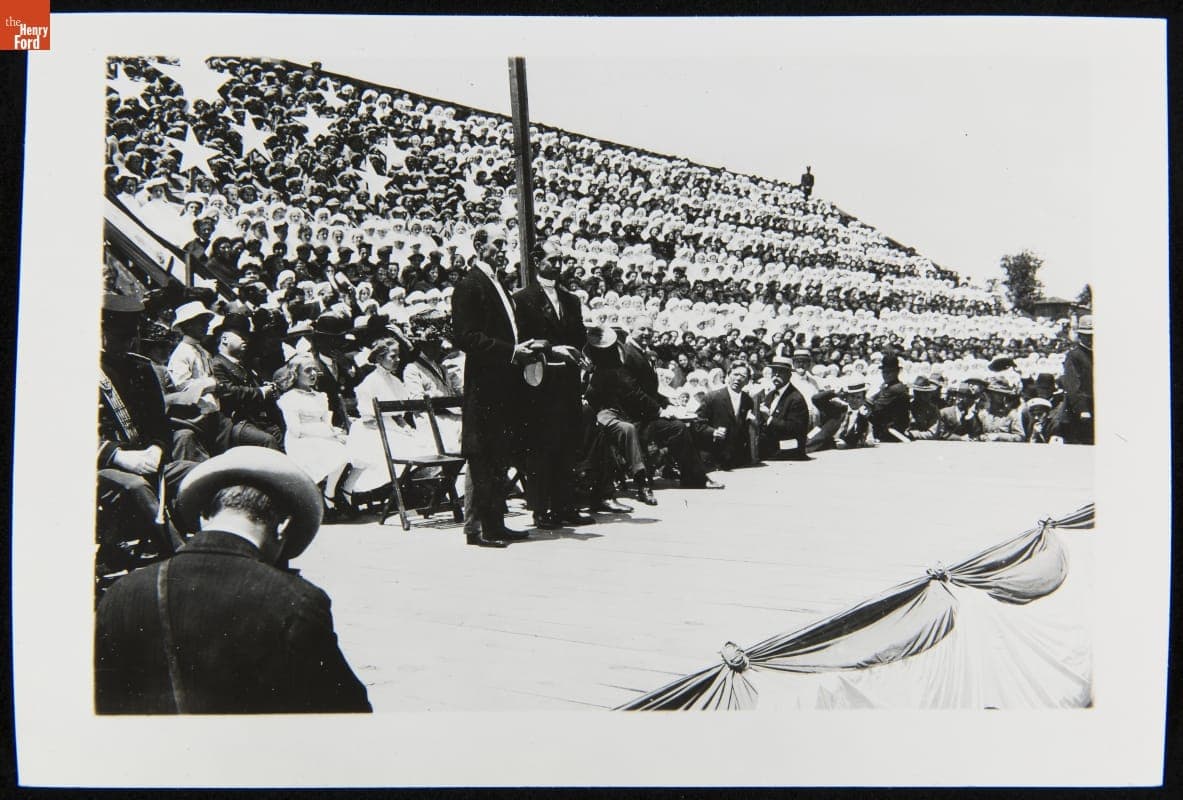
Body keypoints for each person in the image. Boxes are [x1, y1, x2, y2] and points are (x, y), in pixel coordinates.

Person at [95, 447, 372, 714]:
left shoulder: (122, 594)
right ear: (283, 526)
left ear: (204, 517)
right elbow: (347, 713)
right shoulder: (297, 600)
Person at [451, 225, 534, 547]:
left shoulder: (500, 285)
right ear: (478, 245)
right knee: (483, 458)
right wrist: (511, 351)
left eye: (506, 244)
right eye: (497, 244)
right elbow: (466, 337)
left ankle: (496, 524)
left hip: (504, 385)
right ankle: (480, 529)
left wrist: (522, 347)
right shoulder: (470, 285)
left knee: (498, 456)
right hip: (484, 387)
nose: (503, 249)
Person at [97, 293, 196, 560]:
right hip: (103, 466)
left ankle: (211, 544)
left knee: (199, 473)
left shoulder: (140, 367)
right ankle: (182, 556)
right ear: (102, 332)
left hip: (150, 459)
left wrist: (156, 447)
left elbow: (158, 423)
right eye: (119, 336)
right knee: (136, 487)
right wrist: (118, 455)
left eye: (131, 336)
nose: (127, 343)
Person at [585, 326, 723, 502]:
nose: (646, 333)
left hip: (642, 415)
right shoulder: (626, 354)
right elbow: (632, 392)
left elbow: (649, 390)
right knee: (670, 428)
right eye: (641, 328)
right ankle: (652, 483)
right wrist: (659, 410)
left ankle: (693, 477)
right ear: (631, 331)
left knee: (678, 427)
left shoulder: (640, 353)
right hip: (630, 417)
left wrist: (667, 402)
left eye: (650, 329)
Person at [512, 244, 594, 529]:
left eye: (561, 260)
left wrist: (580, 354)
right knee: (541, 446)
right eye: (553, 260)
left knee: (566, 443)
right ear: (537, 261)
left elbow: (579, 335)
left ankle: (565, 504)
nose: (558, 265)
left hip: (567, 382)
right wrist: (552, 349)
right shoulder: (522, 299)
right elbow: (524, 339)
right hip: (539, 382)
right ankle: (541, 508)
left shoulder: (571, 299)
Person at [342, 337, 437, 503]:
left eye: (398, 356)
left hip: (392, 426)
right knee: (404, 448)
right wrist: (396, 429)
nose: (397, 360)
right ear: (380, 358)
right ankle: (364, 491)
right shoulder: (370, 382)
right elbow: (369, 419)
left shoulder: (394, 380)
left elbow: (397, 414)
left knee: (425, 442)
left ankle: (415, 490)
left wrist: (404, 426)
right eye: (393, 356)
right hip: (373, 429)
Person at [275, 354, 351, 510]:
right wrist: (328, 435)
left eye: (315, 370)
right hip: (302, 441)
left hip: (324, 437)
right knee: (341, 455)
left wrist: (336, 433)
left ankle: (345, 491)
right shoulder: (289, 398)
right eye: (308, 370)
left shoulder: (320, 396)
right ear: (295, 374)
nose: (313, 374)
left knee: (356, 448)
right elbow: (295, 430)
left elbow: (326, 423)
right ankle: (329, 494)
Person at [210, 313, 283, 449]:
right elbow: (228, 392)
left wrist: (266, 388)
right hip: (233, 421)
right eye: (241, 336)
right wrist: (260, 392)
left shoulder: (242, 364)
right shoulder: (216, 364)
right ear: (225, 338)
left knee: (279, 432)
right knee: (267, 440)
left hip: (254, 419)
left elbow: (253, 386)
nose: (246, 340)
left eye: (247, 337)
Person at [694, 360, 756, 469]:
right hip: (713, 457)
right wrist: (713, 432)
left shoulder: (748, 401)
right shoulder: (712, 397)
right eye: (735, 374)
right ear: (728, 375)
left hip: (738, 460)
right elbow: (697, 423)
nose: (738, 378)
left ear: (747, 381)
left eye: (743, 376)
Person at [756, 356, 810, 460]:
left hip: (788, 451)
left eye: (780, 372)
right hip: (772, 447)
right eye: (774, 372)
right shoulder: (771, 394)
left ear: (789, 375)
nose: (776, 375)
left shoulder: (796, 398)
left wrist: (769, 418)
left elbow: (794, 428)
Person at [1054, 315, 1093, 444]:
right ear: (1080, 336)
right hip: (1078, 413)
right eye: (1087, 336)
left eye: (1093, 336)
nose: (1090, 339)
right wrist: (1083, 409)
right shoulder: (1074, 356)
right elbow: (1072, 385)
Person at [866, 352, 911, 442]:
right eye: (884, 372)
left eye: (889, 372)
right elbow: (873, 398)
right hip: (888, 427)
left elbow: (875, 407)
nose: (885, 375)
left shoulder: (896, 388)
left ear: (897, 372)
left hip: (892, 431)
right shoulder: (888, 386)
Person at [979, 378, 1025, 442]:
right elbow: (977, 434)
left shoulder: (1012, 415)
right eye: (991, 393)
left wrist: (999, 436)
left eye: (997, 394)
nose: (992, 396)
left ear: (1004, 396)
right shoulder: (983, 414)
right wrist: (982, 437)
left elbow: (1020, 437)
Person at [906, 376, 943, 440]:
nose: (920, 396)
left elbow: (932, 433)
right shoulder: (907, 407)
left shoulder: (933, 410)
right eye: (917, 393)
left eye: (924, 393)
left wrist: (912, 434)